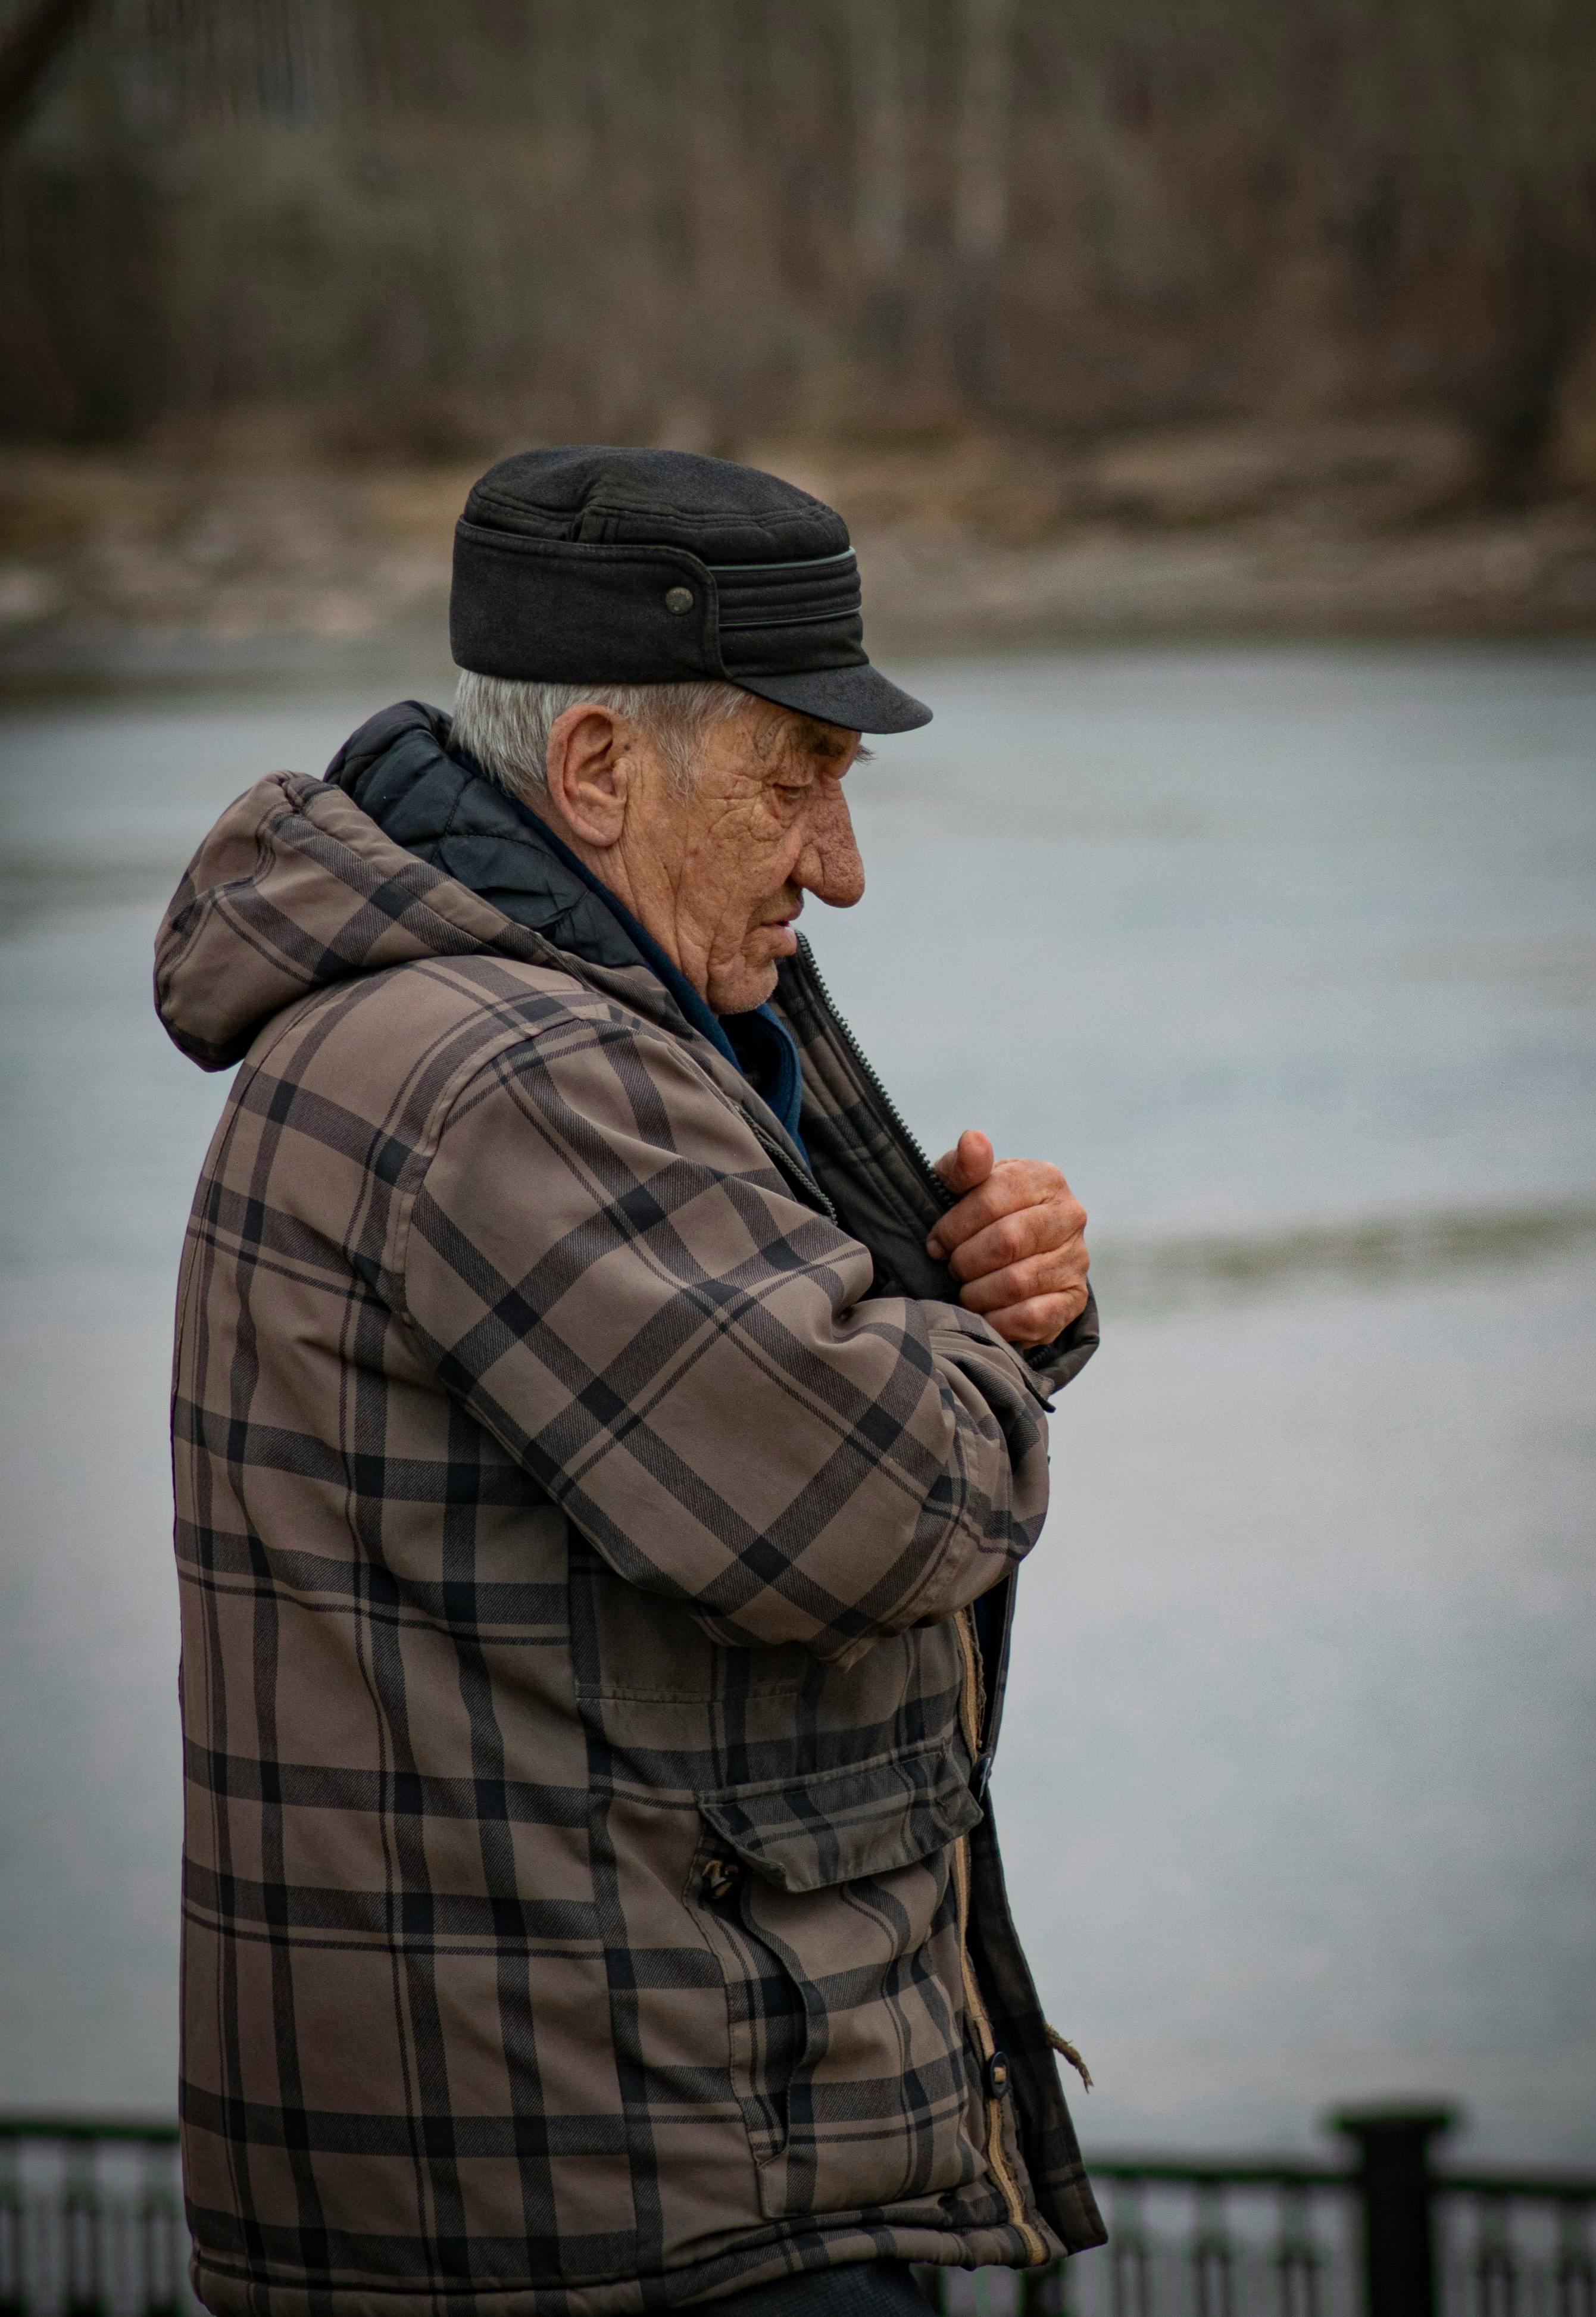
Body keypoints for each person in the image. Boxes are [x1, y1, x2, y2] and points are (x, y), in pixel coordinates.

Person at [155, 446, 1104, 2317]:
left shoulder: (465, 1018)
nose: (836, 862)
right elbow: (876, 1500)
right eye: (797, 776)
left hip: (521, 2177)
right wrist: (989, 1343)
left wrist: (966, 1300)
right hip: (632, 2218)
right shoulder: (517, 1074)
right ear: (595, 769)